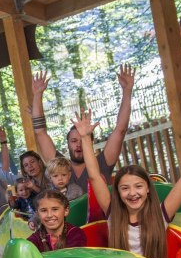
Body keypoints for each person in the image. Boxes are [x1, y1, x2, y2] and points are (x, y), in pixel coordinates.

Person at [72, 110, 181, 258]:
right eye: (125, 188)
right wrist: (85, 137)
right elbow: (95, 176)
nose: (132, 193)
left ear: (148, 188)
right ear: (118, 192)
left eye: (138, 186)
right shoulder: (113, 213)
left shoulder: (160, 214)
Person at [31, 64, 135, 192]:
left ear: (90, 142)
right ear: (68, 144)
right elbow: (40, 132)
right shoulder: (58, 165)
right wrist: (37, 95)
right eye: (74, 141)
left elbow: (120, 129)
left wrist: (127, 91)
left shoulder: (103, 162)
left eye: (82, 139)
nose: (78, 145)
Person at [0, 125, 49, 195]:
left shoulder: (49, 174)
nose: (30, 166)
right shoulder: (24, 180)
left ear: (39, 162)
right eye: (26, 165)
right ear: (24, 169)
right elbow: (1, 174)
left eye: (32, 162)